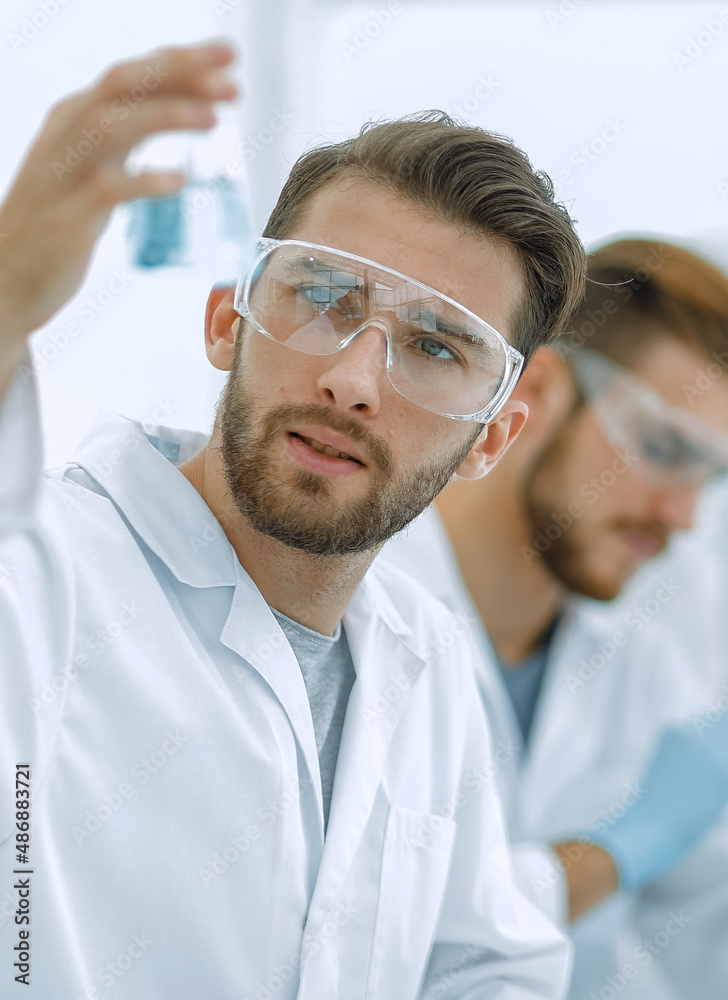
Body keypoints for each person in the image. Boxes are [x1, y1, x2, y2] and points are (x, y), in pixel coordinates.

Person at [0, 41, 588, 998]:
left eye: (435, 346)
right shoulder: (48, 569)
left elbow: (490, 964)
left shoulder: (425, 660)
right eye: (322, 297)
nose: (352, 379)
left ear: (494, 436)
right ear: (229, 318)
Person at [382, 237, 728, 999]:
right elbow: (388, 938)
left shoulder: (644, 678)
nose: (683, 516)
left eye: (711, 475)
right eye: (665, 447)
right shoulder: (355, 617)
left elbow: (710, 933)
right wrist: (614, 854)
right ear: (536, 389)